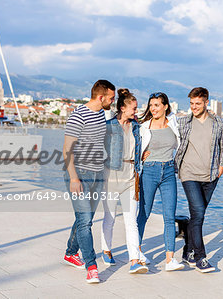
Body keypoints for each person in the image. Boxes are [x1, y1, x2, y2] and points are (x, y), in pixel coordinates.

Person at [62, 79, 115, 284]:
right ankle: (91, 266)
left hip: (97, 173)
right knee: (85, 222)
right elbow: (67, 149)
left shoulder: (101, 113)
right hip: (79, 174)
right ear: (100, 97)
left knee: (85, 219)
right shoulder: (78, 116)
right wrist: (74, 177)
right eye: (111, 97)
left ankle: (70, 252)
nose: (113, 100)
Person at [175, 87, 223, 273]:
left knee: (197, 216)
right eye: (191, 103)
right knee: (198, 213)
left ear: (207, 102)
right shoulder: (183, 122)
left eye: (198, 103)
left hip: (211, 175)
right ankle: (200, 257)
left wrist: (221, 167)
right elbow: (164, 131)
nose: (194, 107)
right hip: (189, 174)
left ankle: (187, 250)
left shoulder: (218, 123)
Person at [101, 88, 148, 274]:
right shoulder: (108, 126)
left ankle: (134, 260)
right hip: (111, 178)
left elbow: (141, 145)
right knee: (110, 218)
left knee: (131, 221)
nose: (136, 112)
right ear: (122, 107)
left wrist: (143, 154)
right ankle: (106, 250)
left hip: (130, 178)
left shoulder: (137, 127)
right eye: (133, 109)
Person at [137, 92, 184, 272]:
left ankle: (170, 259)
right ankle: (138, 251)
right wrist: (140, 156)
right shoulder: (144, 127)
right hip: (149, 171)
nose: (153, 109)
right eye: (151, 105)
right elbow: (133, 148)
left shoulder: (174, 123)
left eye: (157, 105)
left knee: (169, 216)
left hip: (169, 172)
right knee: (144, 213)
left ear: (165, 106)